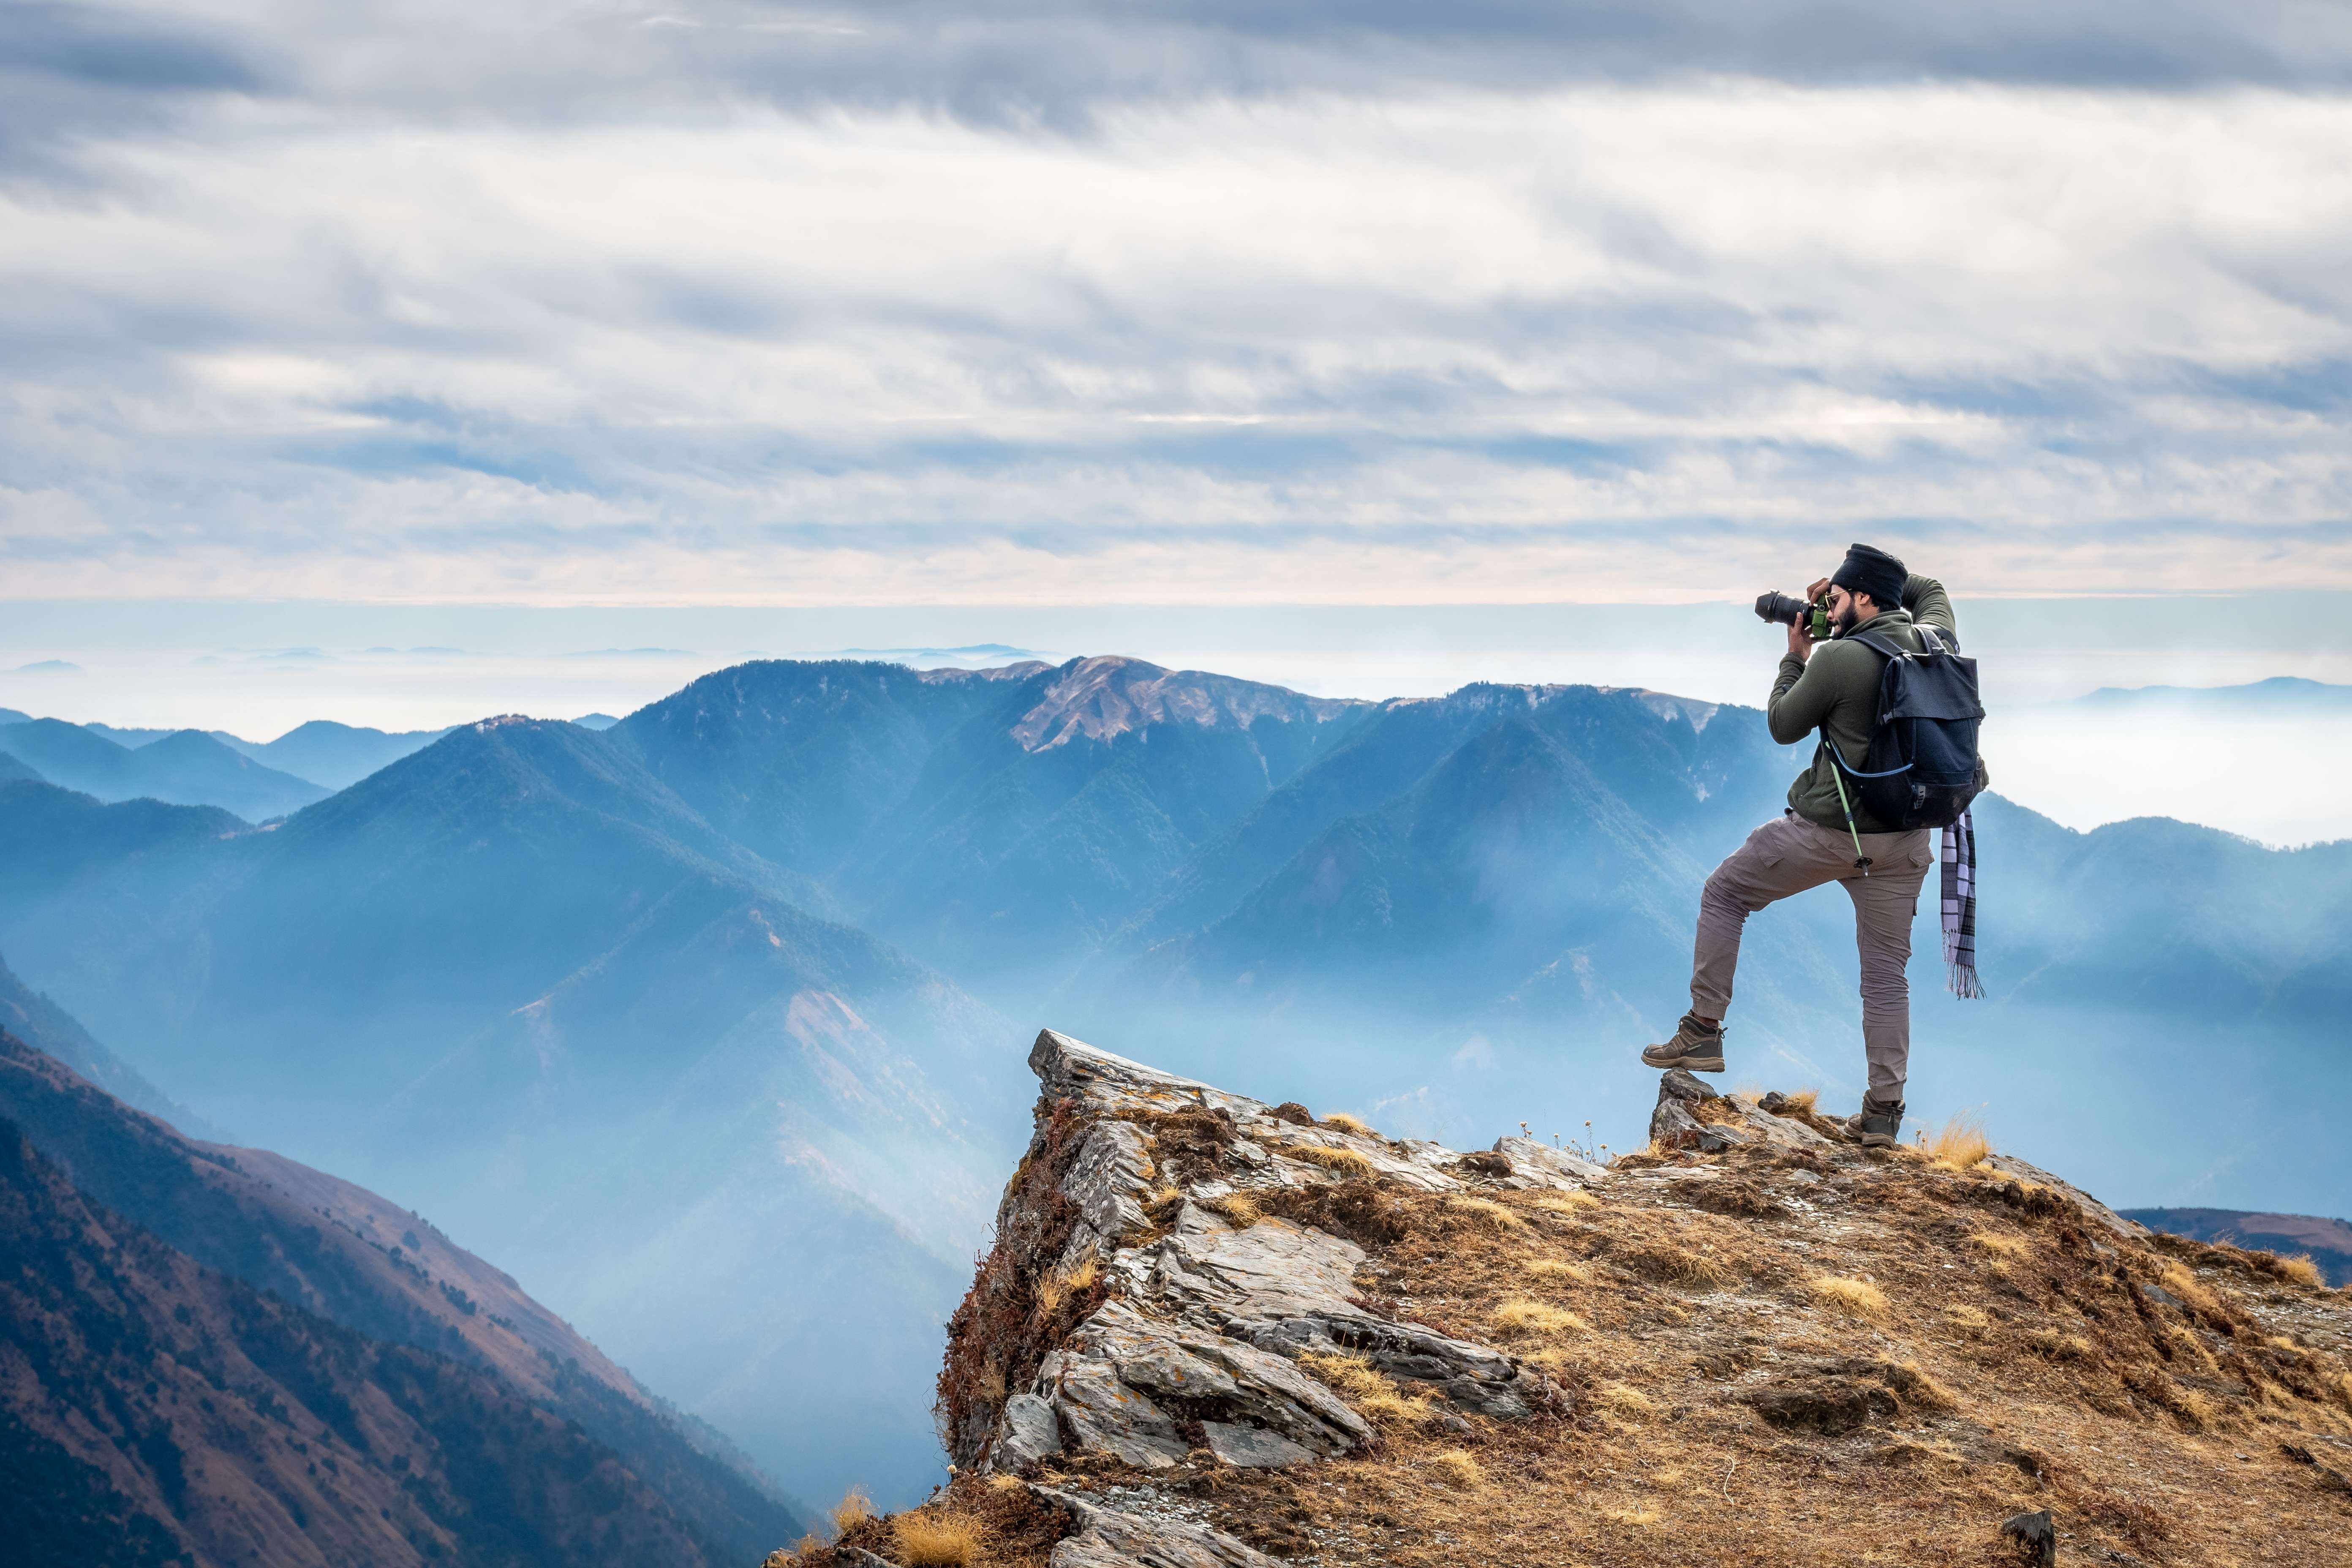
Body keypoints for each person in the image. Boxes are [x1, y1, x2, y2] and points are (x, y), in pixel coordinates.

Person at [1640, 542, 1955, 1148]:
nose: (1830, 607)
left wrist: (1797, 653)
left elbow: (1784, 724)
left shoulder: (1839, 660)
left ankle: (1703, 1029)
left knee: (1725, 893)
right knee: (1886, 977)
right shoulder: (1937, 638)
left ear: (1865, 598)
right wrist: (1859, 588)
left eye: (1840, 598)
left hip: (1831, 834)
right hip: (1909, 841)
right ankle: (1884, 1115)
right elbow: (1928, 588)